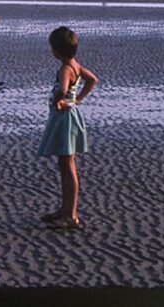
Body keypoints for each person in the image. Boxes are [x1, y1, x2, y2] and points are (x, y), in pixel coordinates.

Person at [36, 26, 99, 230]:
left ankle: (70, 215)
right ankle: (65, 210)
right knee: (64, 165)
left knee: (68, 165)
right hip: (69, 116)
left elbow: (62, 89)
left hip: (65, 119)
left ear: (57, 50)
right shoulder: (75, 66)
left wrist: (58, 101)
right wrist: (77, 100)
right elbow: (92, 79)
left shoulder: (65, 69)